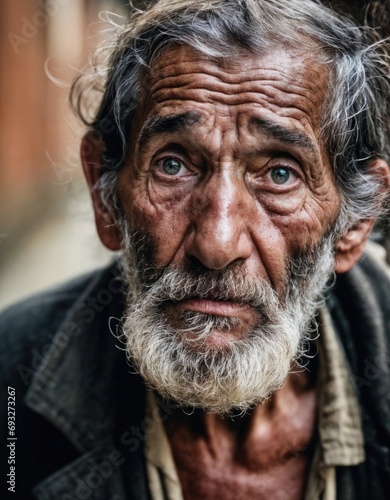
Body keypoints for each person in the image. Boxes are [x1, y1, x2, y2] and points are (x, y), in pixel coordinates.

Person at [1, 0, 390, 498]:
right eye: (172, 165)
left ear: (354, 224)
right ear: (104, 192)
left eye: (279, 173)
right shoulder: (9, 377)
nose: (216, 243)